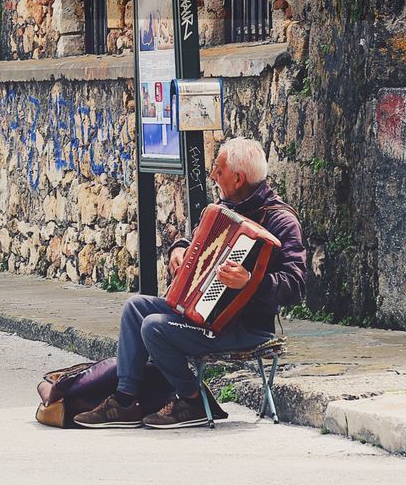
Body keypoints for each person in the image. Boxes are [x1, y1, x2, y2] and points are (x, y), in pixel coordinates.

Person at [75, 137, 305, 429]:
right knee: (136, 308)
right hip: (204, 317)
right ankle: (124, 401)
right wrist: (179, 250)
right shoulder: (222, 209)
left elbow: (295, 284)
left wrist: (249, 283)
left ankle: (193, 400)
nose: (212, 176)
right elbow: (195, 240)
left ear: (238, 178)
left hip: (246, 328)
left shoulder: (281, 221)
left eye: (218, 170)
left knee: (154, 326)